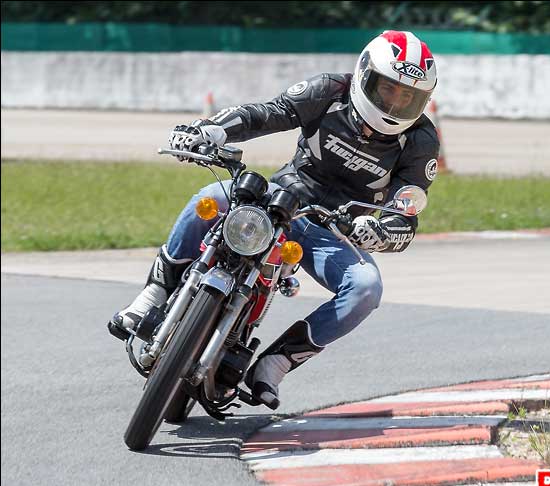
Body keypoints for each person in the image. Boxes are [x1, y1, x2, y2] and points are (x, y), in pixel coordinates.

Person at [108, 30, 440, 409]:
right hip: (282, 197)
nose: (396, 102)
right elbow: (269, 113)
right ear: (365, 75)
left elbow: (408, 212)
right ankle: (155, 291)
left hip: (336, 229)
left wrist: (379, 231)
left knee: (366, 287)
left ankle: (276, 363)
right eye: (388, 89)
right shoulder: (329, 90)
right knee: (212, 196)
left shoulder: (421, 140)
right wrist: (210, 130)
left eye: (408, 96)